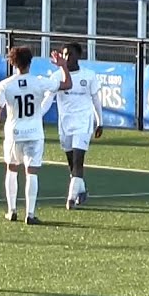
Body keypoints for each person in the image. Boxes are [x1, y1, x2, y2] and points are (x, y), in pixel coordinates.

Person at [0, 46, 71, 224]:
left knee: (12, 170)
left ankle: (11, 211)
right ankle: (30, 214)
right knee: (31, 173)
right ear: (30, 62)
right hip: (34, 133)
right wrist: (63, 66)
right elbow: (67, 84)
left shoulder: (5, 85)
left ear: (12, 63)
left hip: (14, 134)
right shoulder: (38, 81)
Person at [39, 42, 104, 210]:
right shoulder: (57, 77)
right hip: (65, 124)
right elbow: (48, 100)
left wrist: (100, 121)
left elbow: (96, 100)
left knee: (78, 161)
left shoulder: (89, 76)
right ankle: (81, 191)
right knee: (72, 164)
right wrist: (37, 116)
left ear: (78, 56)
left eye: (70, 55)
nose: (67, 58)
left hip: (83, 122)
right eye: (65, 54)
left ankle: (71, 198)